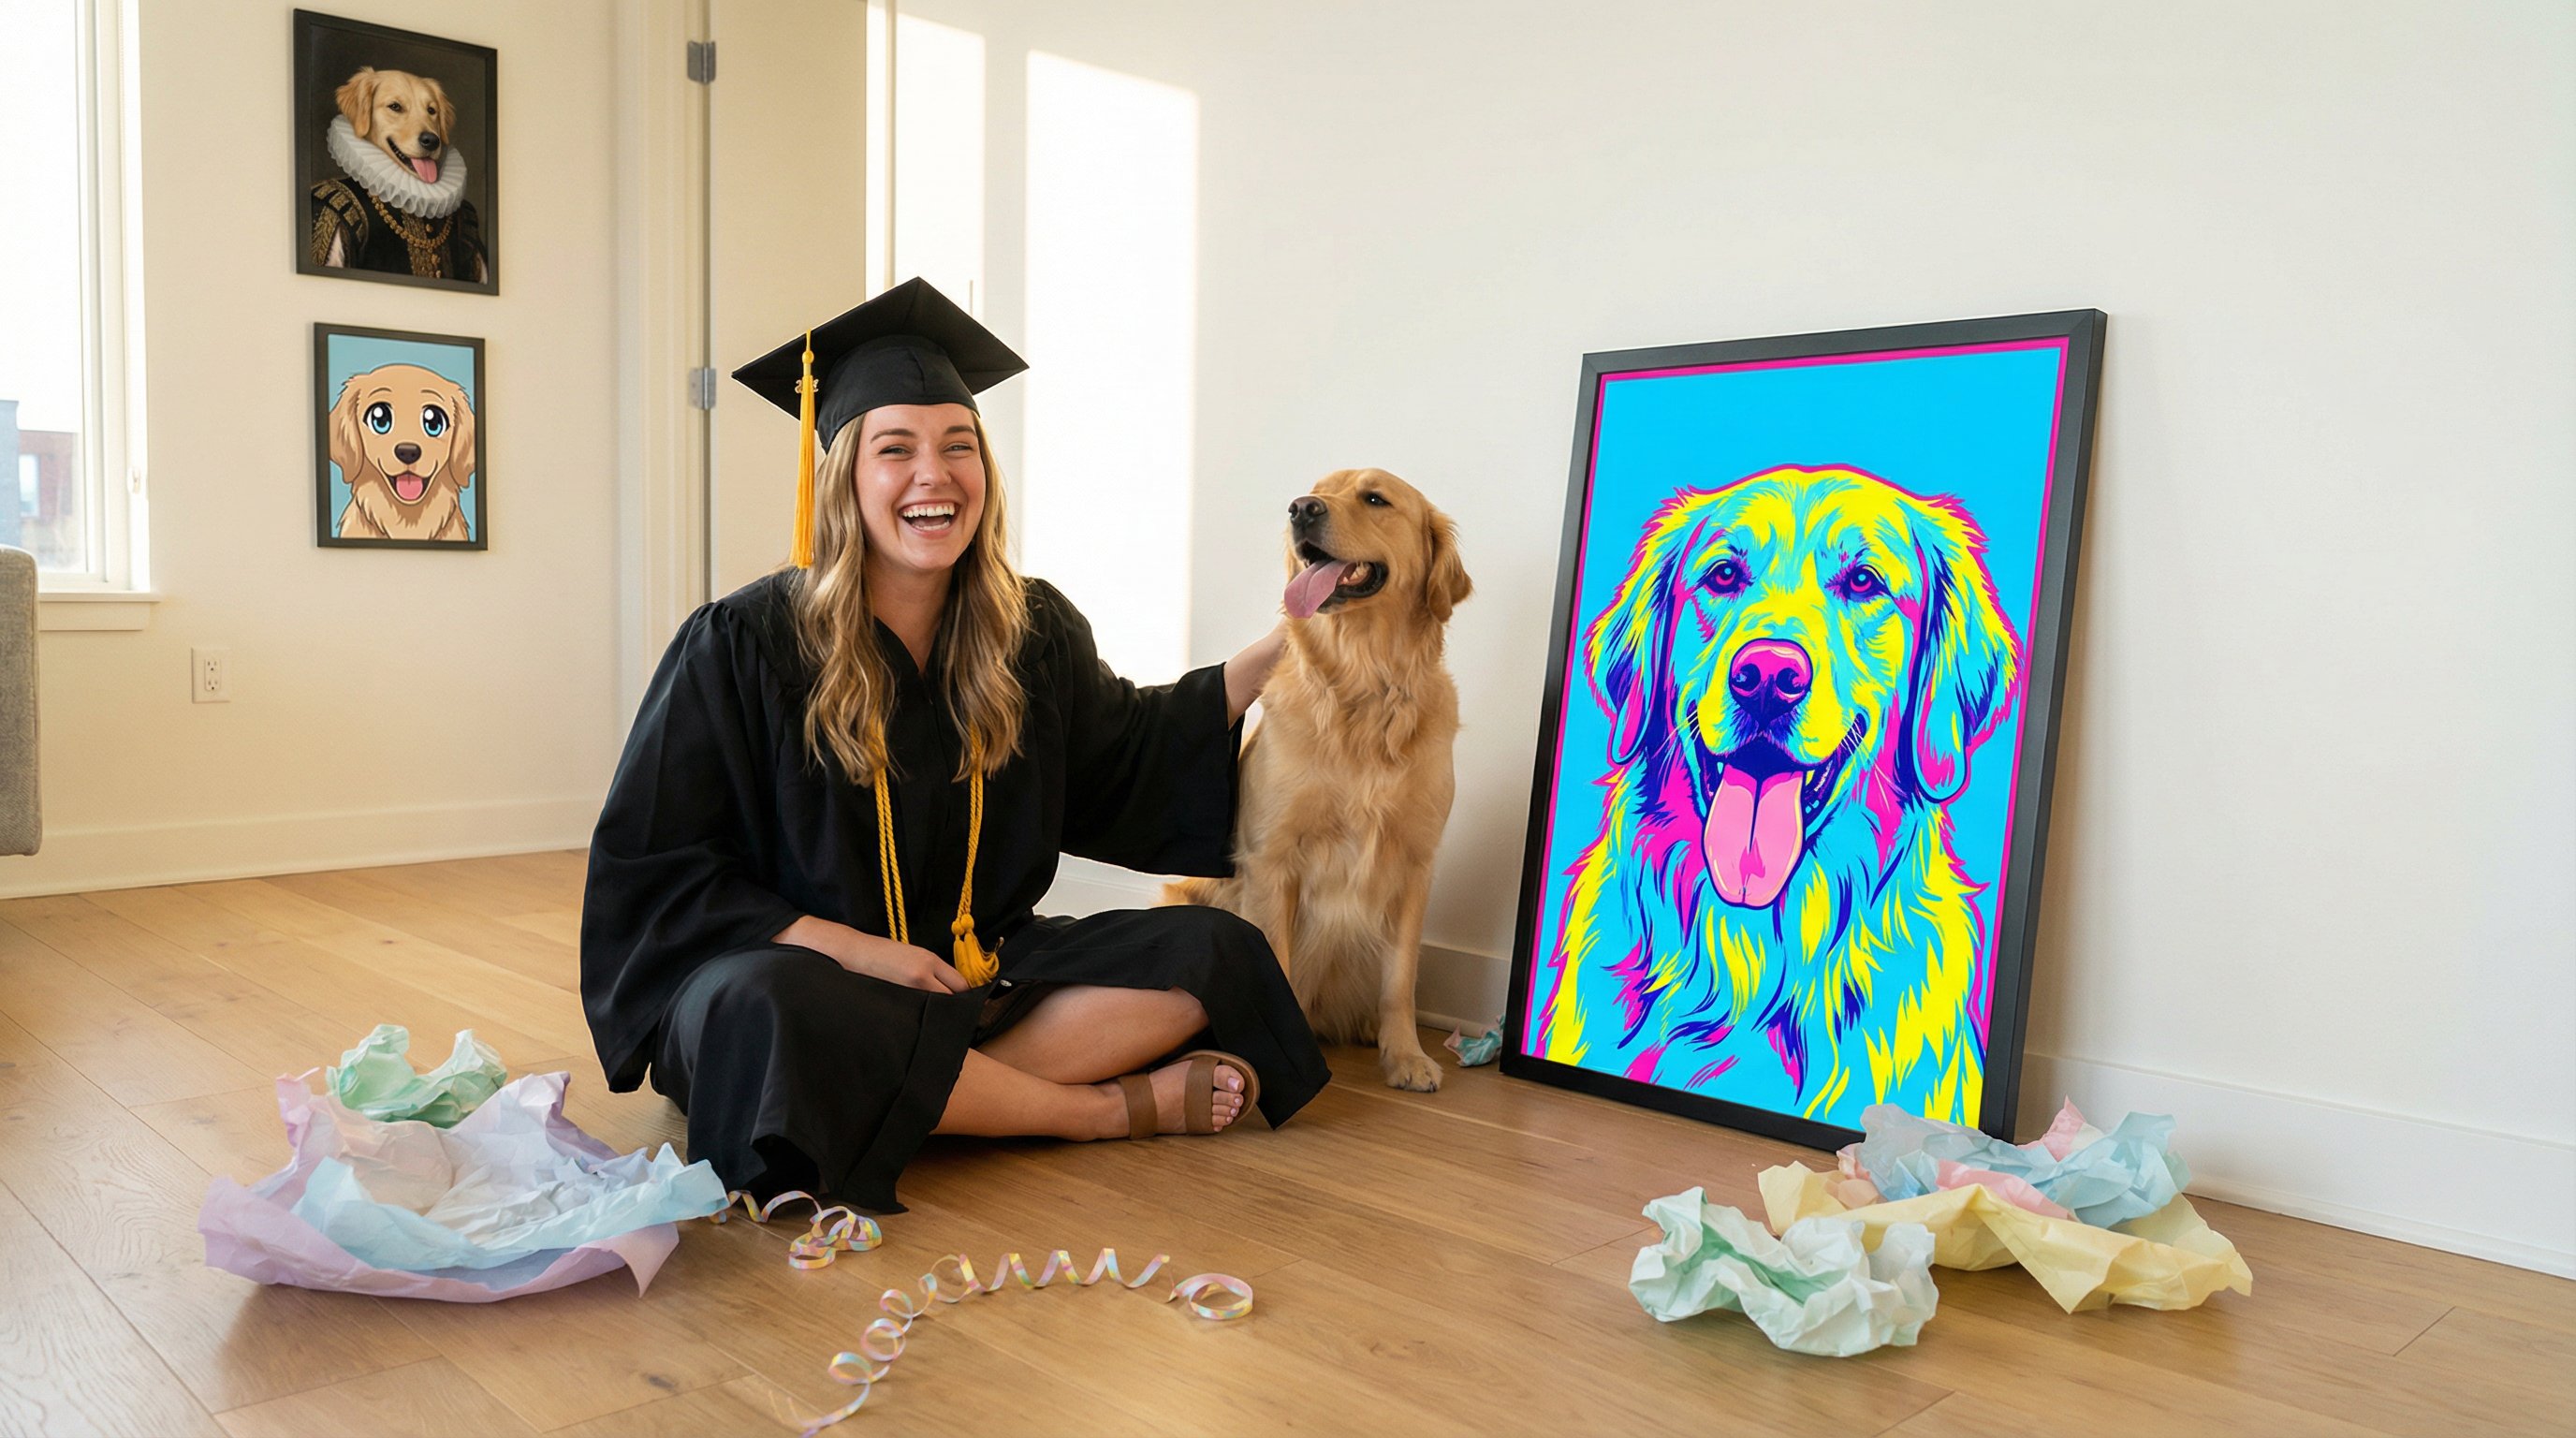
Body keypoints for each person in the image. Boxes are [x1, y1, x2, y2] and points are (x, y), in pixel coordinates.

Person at [579, 279, 1329, 1211]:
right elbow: (659, 868)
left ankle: (898, 1105)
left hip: (973, 974)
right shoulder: (744, 641)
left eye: (958, 446)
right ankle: (1084, 1113)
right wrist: (859, 952)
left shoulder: (1031, 630)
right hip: (796, 977)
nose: (934, 475)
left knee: (1214, 951)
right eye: (895, 449)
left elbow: (1126, 749)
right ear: (844, 476)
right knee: (763, 1015)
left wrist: (1280, 649)